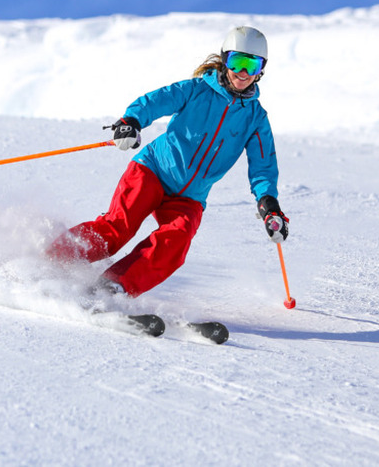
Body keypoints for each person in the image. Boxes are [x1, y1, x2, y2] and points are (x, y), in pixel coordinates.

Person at [46, 26, 288, 297]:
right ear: (224, 60)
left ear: (261, 70)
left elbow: (263, 166)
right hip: (153, 170)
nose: (243, 73)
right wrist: (131, 121)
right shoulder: (196, 90)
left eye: (251, 65)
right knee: (117, 230)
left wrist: (269, 203)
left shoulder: (256, 118)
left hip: (190, 197)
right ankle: (48, 260)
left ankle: (112, 289)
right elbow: (155, 101)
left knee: (176, 242)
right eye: (237, 62)